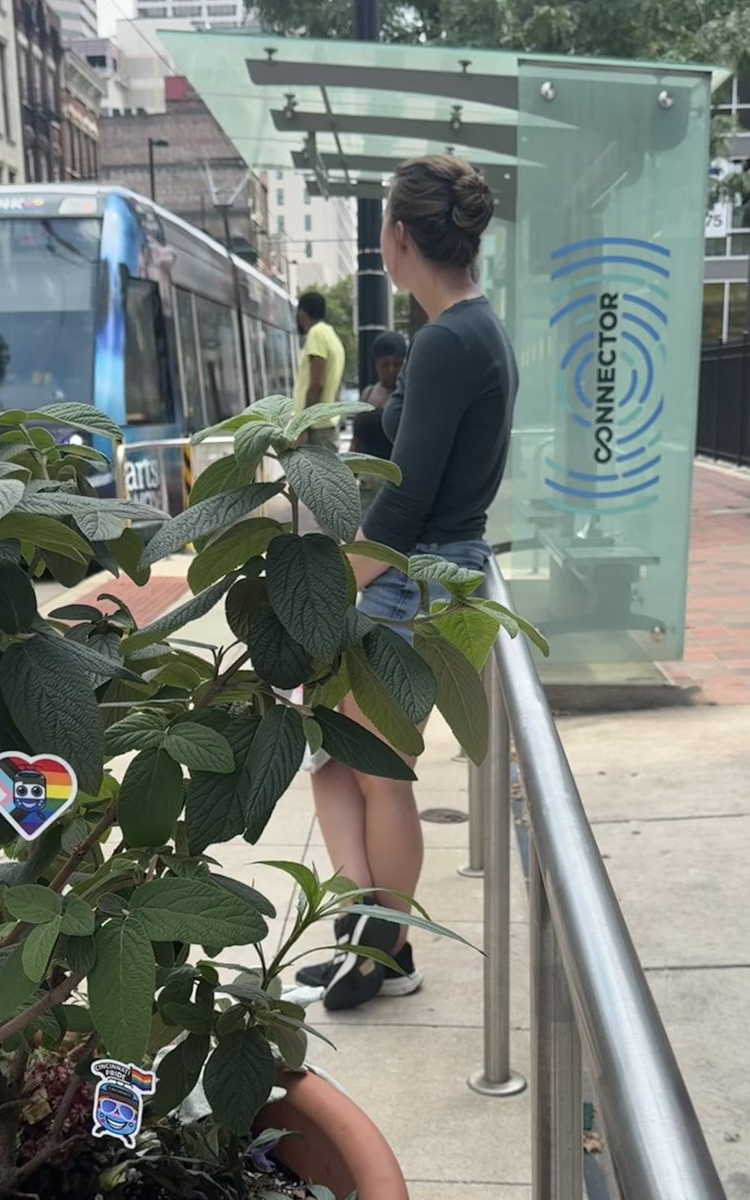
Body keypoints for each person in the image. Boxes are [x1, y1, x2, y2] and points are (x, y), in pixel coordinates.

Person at [297, 154, 518, 1011]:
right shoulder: (472, 330)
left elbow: (403, 503)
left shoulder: (446, 341)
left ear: (395, 237)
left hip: (412, 578)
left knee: (375, 770)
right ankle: (367, 938)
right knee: (331, 754)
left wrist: (320, 602)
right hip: (439, 572)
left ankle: (380, 951)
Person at [351, 331, 406, 511]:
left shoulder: (409, 396)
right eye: (385, 364)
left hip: (396, 484)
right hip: (367, 483)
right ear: (376, 365)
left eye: (397, 364)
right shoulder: (367, 393)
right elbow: (356, 441)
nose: (391, 370)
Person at [293, 291, 345, 449]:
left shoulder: (316, 334)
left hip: (316, 428)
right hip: (327, 423)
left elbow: (316, 384)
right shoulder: (332, 337)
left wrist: (303, 425)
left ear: (302, 313)